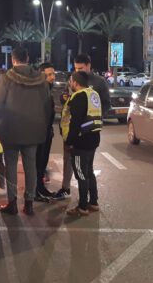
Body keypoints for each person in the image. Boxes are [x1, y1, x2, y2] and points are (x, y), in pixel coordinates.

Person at [0, 46, 52, 216]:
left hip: (10, 130)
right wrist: (43, 124)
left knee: (11, 166)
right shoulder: (41, 79)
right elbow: (47, 105)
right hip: (34, 130)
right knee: (31, 167)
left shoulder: (7, 78)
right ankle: (29, 203)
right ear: (28, 58)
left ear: (13, 59)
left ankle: (12, 203)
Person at [54, 54, 110, 200]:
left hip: (88, 132)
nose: (78, 71)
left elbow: (106, 104)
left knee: (85, 167)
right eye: (76, 68)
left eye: (81, 68)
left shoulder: (99, 82)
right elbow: (65, 96)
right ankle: (66, 188)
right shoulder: (72, 79)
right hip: (71, 129)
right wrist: (64, 98)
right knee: (68, 160)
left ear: (89, 66)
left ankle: (86, 202)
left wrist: (95, 116)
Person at [61, 71, 102, 216]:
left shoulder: (78, 96)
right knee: (89, 171)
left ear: (75, 82)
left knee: (81, 174)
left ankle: (82, 207)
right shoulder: (93, 94)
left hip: (81, 142)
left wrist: (70, 142)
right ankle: (93, 202)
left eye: (71, 81)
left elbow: (75, 123)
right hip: (93, 138)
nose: (70, 83)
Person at [35, 62, 57, 202]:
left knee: (42, 164)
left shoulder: (48, 89)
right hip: (40, 135)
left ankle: (41, 188)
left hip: (46, 133)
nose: (52, 77)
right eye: (48, 75)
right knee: (38, 164)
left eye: (53, 74)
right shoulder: (39, 91)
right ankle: (37, 191)